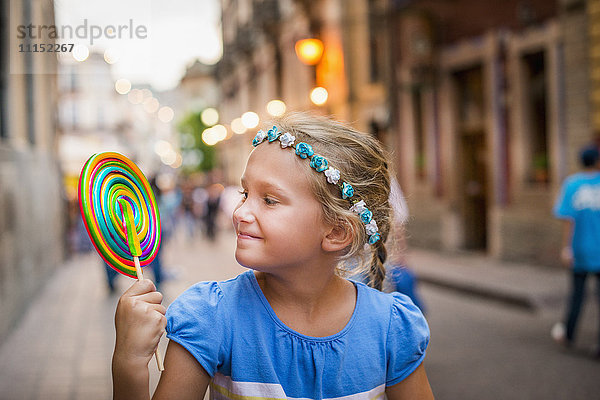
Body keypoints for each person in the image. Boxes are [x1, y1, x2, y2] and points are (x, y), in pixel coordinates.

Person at [112, 112, 434, 399]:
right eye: (245, 193)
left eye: (269, 200)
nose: (240, 212)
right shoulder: (211, 319)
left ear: (337, 232)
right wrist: (129, 365)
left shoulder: (391, 329)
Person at [552, 145, 600, 358]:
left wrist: (566, 247)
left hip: (581, 249)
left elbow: (568, 220)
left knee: (577, 296)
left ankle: (569, 335)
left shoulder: (573, 184)